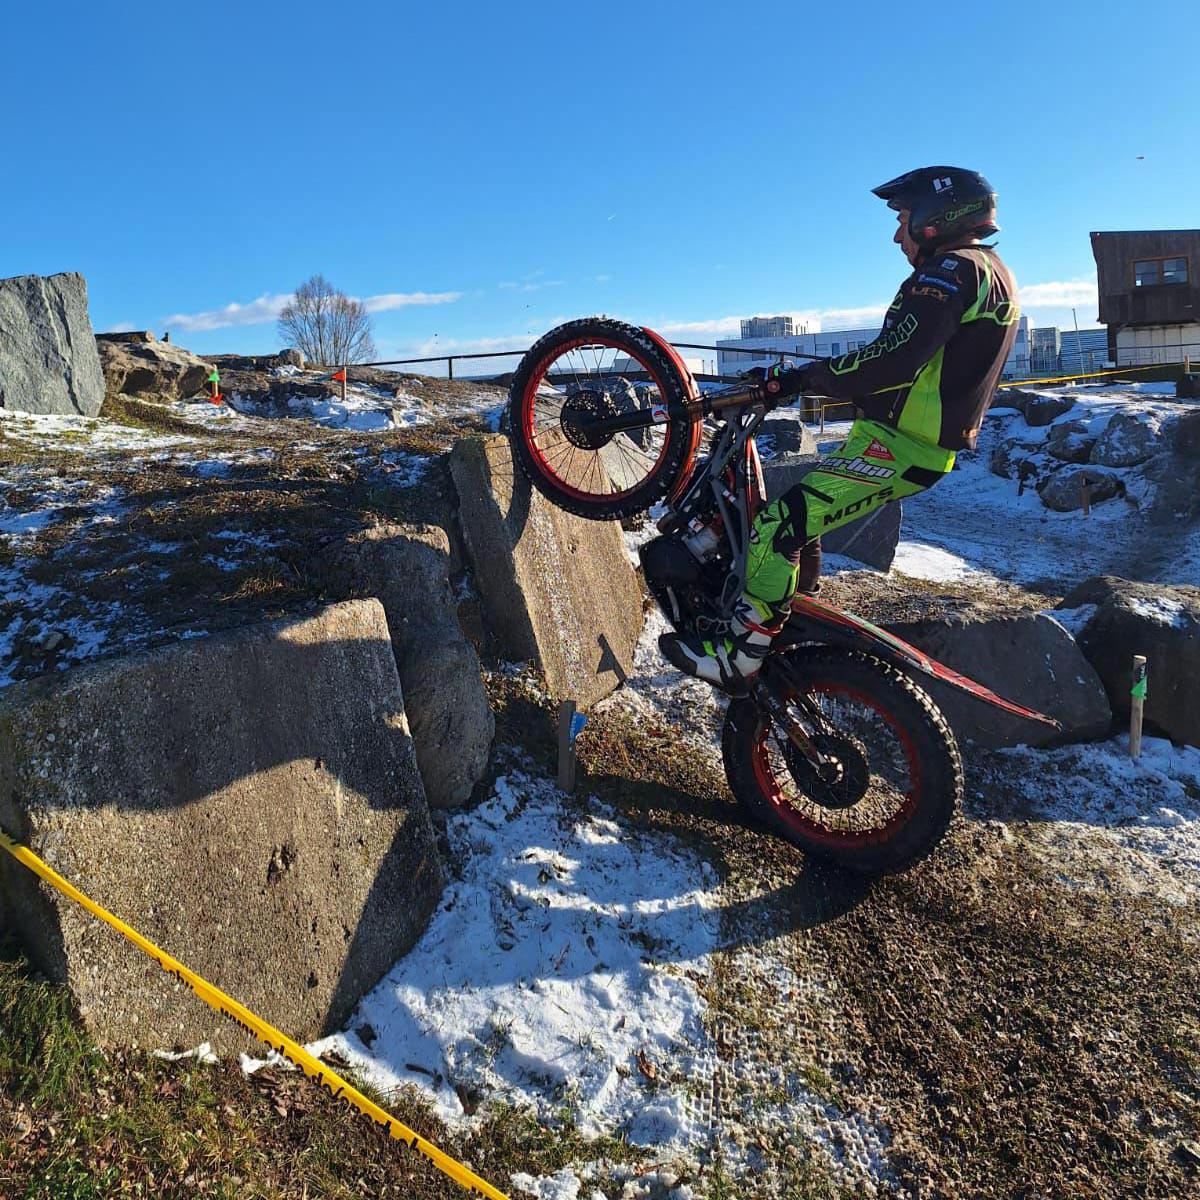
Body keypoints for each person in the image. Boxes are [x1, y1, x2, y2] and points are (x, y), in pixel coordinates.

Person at [661, 166, 1020, 688]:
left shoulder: (952, 271)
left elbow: (893, 360)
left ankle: (740, 654)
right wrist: (807, 379)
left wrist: (803, 379)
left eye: (902, 218)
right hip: (898, 441)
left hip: (903, 447)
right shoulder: (987, 271)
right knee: (798, 520)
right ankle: (792, 612)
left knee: (776, 527)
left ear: (934, 217)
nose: (897, 235)